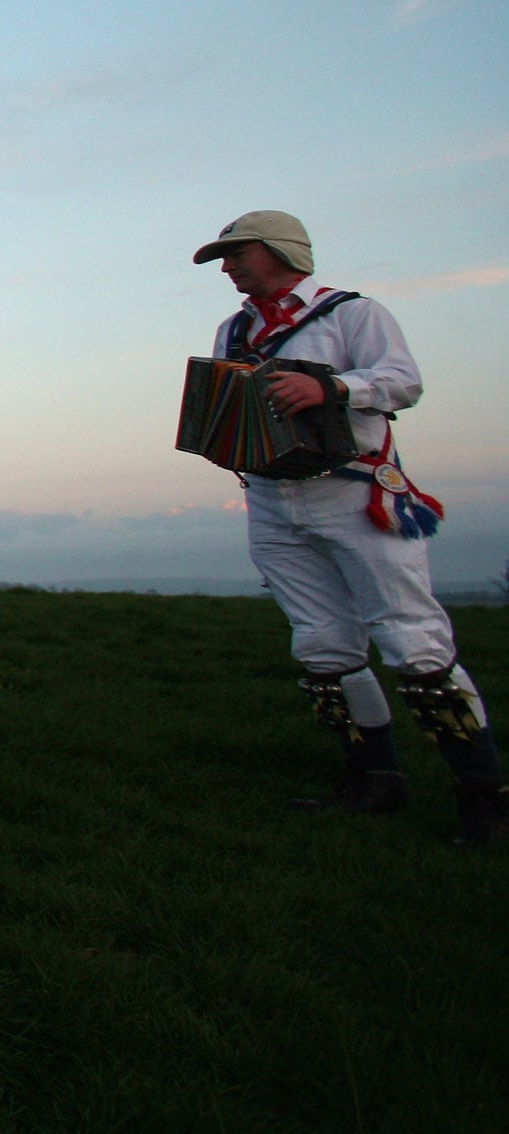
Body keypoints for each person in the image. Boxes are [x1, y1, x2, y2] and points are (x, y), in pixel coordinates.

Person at [193, 210, 500, 844]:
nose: (227, 267)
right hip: (274, 500)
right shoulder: (235, 329)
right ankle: (373, 779)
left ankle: (486, 797)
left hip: (355, 493)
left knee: (414, 642)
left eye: (235, 254)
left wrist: (329, 387)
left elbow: (403, 382)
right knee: (321, 644)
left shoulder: (352, 314)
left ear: (278, 250)